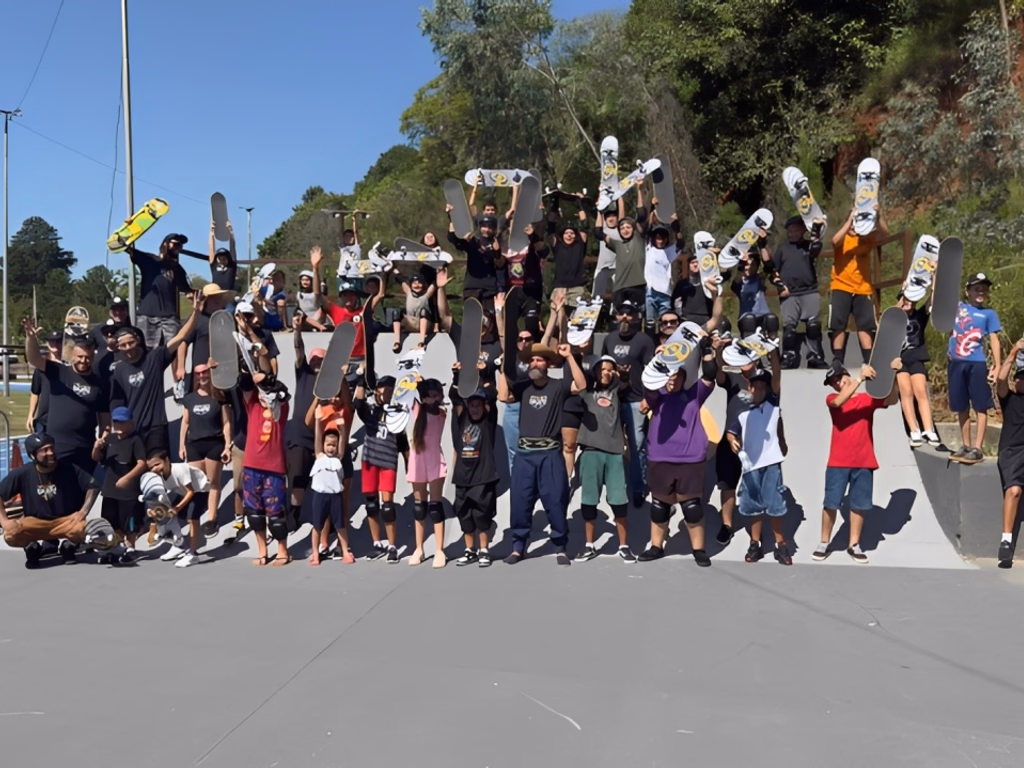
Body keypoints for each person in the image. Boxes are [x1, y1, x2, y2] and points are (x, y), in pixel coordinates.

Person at [497, 342, 587, 566]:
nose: (534, 363)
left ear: (547, 364)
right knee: (520, 502)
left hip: (550, 454)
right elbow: (502, 396)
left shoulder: (558, 386)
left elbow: (582, 384)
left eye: (539, 360)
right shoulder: (523, 387)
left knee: (556, 500)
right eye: (531, 360)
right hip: (525, 455)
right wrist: (502, 367)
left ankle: (560, 547)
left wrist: (569, 358)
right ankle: (518, 547)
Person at [815, 358, 901, 564]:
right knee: (830, 504)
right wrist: (860, 378)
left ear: (845, 375)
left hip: (864, 461)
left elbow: (891, 400)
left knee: (858, 505)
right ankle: (823, 542)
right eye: (833, 382)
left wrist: (895, 375)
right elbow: (838, 402)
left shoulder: (866, 399)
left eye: (838, 378)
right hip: (838, 461)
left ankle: (854, 545)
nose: (836, 383)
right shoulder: (831, 399)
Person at [639, 336, 717, 565]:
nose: (672, 379)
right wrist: (658, 359)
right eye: (669, 375)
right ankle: (656, 546)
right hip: (660, 458)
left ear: (685, 376)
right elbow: (649, 382)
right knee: (659, 507)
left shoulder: (694, 395)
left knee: (692, 509)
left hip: (690, 459)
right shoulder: (657, 395)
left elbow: (710, 375)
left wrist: (707, 350)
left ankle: (699, 550)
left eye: (677, 375)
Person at [109, 292, 202, 458]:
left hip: (156, 427)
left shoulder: (155, 358)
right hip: (133, 428)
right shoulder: (119, 369)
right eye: (123, 345)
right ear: (119, 348)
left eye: (131, 342)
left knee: (158, 468)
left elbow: (180, 337)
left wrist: (195, 313)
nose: (128, 347)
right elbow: (117, 402)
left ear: (138, 340)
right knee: (138, 472)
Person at [22, 317, 109, 473]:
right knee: (59, 490)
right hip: (58, 446)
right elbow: (34, 358)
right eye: (80, 357)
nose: (84, 360)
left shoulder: (99, 384)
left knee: (86, 490)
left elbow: (104, 417)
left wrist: (102, 440)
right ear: (72, 356)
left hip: (85, 447)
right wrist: (30, 337)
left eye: (88, 357)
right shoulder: (59, 372)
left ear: (93, 357)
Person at [0, 433, 99, 568]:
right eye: (44, 450)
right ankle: (31, 547)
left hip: (65, 521)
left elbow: (93, 486)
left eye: (52, 448)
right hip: (34, 522)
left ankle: (68, 546)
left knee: (83, 528)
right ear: (33, 455)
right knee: (10, 533)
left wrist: (83, 512)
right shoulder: (23, 473)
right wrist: (4, 521)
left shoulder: (69, 468)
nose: (51, 452)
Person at [725, 368, 792, 565]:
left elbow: (778, 424)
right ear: (750, 387)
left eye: (765, 386)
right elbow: (731, 432)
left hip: (772, 464)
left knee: (775, 505)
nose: (761, 390)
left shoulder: (773, 403)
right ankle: (755, 543)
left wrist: (782, 441)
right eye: (757, 386)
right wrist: (731, 440)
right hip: (750, 466)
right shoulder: (741, 410)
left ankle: (781, 544)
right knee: (754, 506)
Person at [575, 356, 633, 562]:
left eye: (610, 370)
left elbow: (626, 383)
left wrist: (624, 376)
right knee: (589, 501)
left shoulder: (618, 393)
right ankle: (589, 545)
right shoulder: (587, 393)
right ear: (595, 372)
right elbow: (577, 379)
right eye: (602, 369)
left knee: (619, 502)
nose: (606, 373)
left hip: (615, 453)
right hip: (590, 452)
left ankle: (624, 546)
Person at [601, 300, 655, 507]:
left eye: (629, 313)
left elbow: (651, 372)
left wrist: (648, 397)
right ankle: (615, 486)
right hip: (612, 398)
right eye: (621, 313)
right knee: (611, 446)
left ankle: (638, 487)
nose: (624, 317)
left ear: (636, 317)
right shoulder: (609, 338)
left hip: (636, 401)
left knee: (637, 446)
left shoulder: (644, 341)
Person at [353, 375, 409, 563]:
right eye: (383, 389)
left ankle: (392, 545)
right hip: (370, 461)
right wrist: (362, 377)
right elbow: (358, 402)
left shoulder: (397, 414)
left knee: (387, 506)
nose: (386, 393)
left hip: (387, 462)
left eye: (390, 390)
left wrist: (410, 467)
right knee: (371, 504)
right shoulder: (370, 411)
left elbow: (403, 444)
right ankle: (377, 543)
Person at [948, 273, 1002, 464]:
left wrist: (997, 366)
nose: (981, 292)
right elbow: (935, 304)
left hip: (977, 363)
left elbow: (994, 341)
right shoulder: (958, 308)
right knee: (961, 406)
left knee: (980, 406)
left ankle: (978, 448)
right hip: (956, 363)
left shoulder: (989, 314)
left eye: (984, 289)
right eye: (977, 289)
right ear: (968, 291)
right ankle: (966, 445)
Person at [241, 372, 292, 567]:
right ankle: (262, 550)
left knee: (276, 514)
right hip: (251, 466)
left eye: (266, 393)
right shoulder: (252, 405)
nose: (263, 396)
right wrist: (253, 380)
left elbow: (284, 393)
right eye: (261, 392)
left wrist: (268, 383)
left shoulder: (281, 410)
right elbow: (243, 384)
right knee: (254, 513)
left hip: (274, 467)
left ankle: (282, 551)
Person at [828, 204, 889, 365]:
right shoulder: (844, 237)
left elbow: (884, 236)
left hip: (863, 287)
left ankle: (869, 360)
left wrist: (878, 215)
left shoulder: (866, 237)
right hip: (841, 286)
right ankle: (837, 361)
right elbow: (834, 241)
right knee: (838, 325)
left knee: (866, 325)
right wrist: (850, 220)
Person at [449, 378, 499, 567]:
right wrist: (457, 376)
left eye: (479, 405)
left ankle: (484, 550)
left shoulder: (488, 421)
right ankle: (470, 550)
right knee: (465, 516)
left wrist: (485, 375)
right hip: (463, 477)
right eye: (472, 405)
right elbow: (454, 397)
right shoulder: (462, 419)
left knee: (482, 516)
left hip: (483, 477)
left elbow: (493, 398)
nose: (475, 409)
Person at [179, 363, 232, 537]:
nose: (202, 376)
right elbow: (185, 422)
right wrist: (181, 445)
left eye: (205, 373)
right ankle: (195, 519)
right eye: (198, 374)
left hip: (214, 443)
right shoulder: (189, 398)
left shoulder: (219, 397)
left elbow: (226, 423)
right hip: (194, 443)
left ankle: (211, 518)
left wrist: (227, 445)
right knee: (196, 484)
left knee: (213, 482)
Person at [93, 407, 147, 564]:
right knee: (110, 522)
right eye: (115, 421)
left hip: (129, 492)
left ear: (130, 422)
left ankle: (130, 548)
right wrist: (96, 447)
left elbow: (142, 463)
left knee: (130, 523)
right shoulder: (110, 439)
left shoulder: (135, 440)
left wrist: (127, 478)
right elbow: (97, 458)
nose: (118, 424)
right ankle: (113, 549)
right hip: (110, 489)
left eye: (121, 422)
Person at [775, 216, 827, 369]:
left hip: (809, 291)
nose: (792, 234)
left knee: (813, 326)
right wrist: (780, 287)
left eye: (795, 231)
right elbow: (773, 270)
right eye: (790, 231)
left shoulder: (808, 246)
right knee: (789, 328)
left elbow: (816, 248)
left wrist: (816, 228)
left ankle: (815, 356)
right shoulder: (783, 249)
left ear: (803, 230)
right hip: (790, 293)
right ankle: (788, 357)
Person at [129, 233, 193, 358]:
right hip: (146, 316)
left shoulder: (177, 269)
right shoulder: (149, 260)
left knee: (172, 352)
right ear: (165, 243)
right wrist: (129, 231)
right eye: (175, 244)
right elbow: (125, 248)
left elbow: (186, 290)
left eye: (180, 246)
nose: (178, 247)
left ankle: (176, 376)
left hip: (169, 318)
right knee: (143, 353)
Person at [407, 377, 449, 568]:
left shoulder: (441, 413)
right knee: (419, 507)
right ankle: (419, 548)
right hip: (417, 460)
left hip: (434, 459)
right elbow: (410, 395)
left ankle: (440, 549)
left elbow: (437, 408)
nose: (432, 397)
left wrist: (432, 400)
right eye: (429, 394)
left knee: (435, 506)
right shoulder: (417, 410)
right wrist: (418, 382)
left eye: (436, 394)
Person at [146, 452, 211, 568]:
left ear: (166, 460)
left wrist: (178, 507)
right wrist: (152, 510)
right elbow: (160, 497)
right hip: (181, 492)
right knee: (165, 514)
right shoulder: (157, 477)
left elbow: (190, 491)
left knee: (192, 520)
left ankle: (193, 553)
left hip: (200, 490)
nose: (154, 469)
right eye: (150, 468)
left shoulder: (180, 469)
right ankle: (178, 545)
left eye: (157, 464)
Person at [895, 291, 940, 447]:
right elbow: (883, 334)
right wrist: (898, 307)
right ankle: (914, 430)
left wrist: (934, 280)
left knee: (920, 391)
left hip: (916, 356)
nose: (907, 302)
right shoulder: (893, 318)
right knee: (905, 392)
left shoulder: (919, 315)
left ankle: (928, 429)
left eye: (910, 299)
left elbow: (931, 300)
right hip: (900, 359)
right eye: (904, 298)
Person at [305, 420, 353, 566]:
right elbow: (318, 436)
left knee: (340, 525)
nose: (331, 448)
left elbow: (343, 439)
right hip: (320, 496)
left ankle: (345, 550)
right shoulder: (320, 456)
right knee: (317, 526)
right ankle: (315, 553)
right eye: (328, 444)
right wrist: (318, 421)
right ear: (323, 445)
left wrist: (343, 428)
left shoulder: (338, 458)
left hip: (336, 496)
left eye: (334, 445)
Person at [995, 339, 1024, 565]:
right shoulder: (1009, 399)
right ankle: (1006, 541)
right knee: (1014, 490)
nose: (1022, 381)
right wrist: (1013, 352)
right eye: (1020, 377)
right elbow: (1001, 378)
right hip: (1011, 451)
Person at [595, 190, 648, 308]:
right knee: (617, 320)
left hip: (637, 286)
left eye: (628, 227)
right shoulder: (617, 244)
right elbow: (598, 233)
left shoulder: (637, 239)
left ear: (633, 229)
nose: (625, 230)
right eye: (622, 228)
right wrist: (600, 207)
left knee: (635, 320)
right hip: (619, 288)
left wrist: (639, 189)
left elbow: (641, 215)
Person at [447, 205, 504, 309]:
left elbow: (498, 263)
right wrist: (451, 217)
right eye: (484, 226)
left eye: (490, 227)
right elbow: (453, 239)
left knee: (489, 322)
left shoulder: (498, 243)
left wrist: (497, 252)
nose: (486, 229)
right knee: (472, 320)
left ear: (494, 229)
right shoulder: (474, 241)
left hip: (489, 289)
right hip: (471, 288)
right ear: (480, 227)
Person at [670, 253, 723, 331]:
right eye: (692, 263)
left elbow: (717, 302)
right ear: (688, 265)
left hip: (706, 320)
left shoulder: (709, 284)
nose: (695, 265)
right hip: (686, 320)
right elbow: (675, 303)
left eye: (697, 262)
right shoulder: (681, 284)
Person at [547, 210, 589, 306]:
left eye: (572, 233)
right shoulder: (558, 246)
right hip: (560, 288)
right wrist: (554, 208)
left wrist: (580, 206)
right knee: (558, 316)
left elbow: (585, 228)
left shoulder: (579, 246)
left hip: (577, 288)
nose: (569, 235)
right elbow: (551, 232)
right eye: (566, 233)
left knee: (575, 318)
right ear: (562, 235)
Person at [27, 330, 62, 434]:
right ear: (47, 343)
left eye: (58, 341)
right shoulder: (41, 367)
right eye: (52, 341)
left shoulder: (68, 367)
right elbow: (35, 392)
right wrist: (30, 415)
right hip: (44, 419)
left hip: (62, 418)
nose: (55, 344)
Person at [393, 270, 436, 352]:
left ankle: (421, 342)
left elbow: (434, 285)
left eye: (419, 283)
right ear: (411, 285)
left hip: (423, 324)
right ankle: (397, 342)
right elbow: (401, 280)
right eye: (414, 283)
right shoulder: (408, 292)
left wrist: (439, 271)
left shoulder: (426, 295)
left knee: (424, 311)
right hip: (410, 322)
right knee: (396, 312)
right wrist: (394, 270)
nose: (417, 285)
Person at [644, 222, 676, 325]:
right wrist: (652, 209)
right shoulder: (648, 249)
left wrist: (676, 226)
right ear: (653, 238)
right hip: (650, 292)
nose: (660, 240)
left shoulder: (669, 252)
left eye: (663, 237)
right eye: (657, 237)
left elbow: (681, 243)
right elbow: (646, 230)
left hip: (665, 293)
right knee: (650, 323)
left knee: (666, 323)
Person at [731, 255, 770, 319]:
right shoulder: (740, 281)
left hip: (762, 315)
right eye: (746, 265)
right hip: (746, 317)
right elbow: (735, 283)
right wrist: (742, 264)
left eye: (752, 265)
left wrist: (761, 248)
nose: (748, 268)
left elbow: (768, 267)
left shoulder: (759, 278)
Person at [209, 217, 238, 293]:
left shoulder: (231, 267)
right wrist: (212, 232)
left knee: (230, 305)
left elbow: (232, 248)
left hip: (228, 296)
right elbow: (211, 249)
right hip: (216, 296)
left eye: (224, 258)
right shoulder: (214, 266)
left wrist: (230, 231)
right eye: (219, 257)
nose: (222, 259)